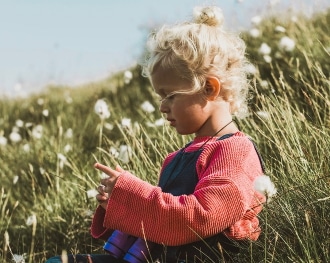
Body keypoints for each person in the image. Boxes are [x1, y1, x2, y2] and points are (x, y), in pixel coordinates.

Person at [46, 5, 267, 263]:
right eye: (160, 97)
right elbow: (160, 223)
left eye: (170, 96)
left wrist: (134, 196)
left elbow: (198, 219)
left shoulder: (235, 153)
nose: (162, 107)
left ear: (209, 88)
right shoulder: (176, 158)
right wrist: (118, 201)